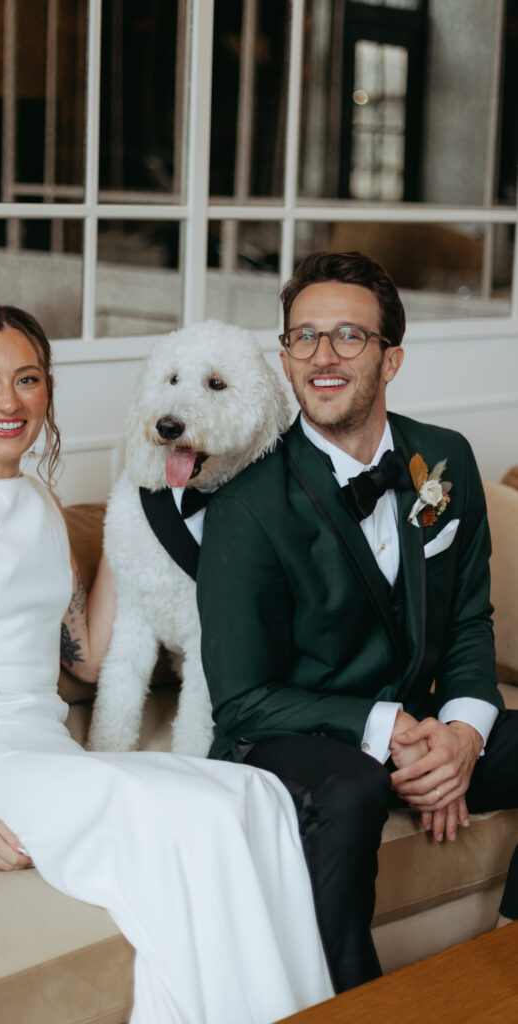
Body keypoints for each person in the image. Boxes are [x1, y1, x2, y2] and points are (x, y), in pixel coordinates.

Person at [0, 299, 332, 1024]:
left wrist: (133, 512)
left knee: (250, 799)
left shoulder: (39, 502)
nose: (9, 401)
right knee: (180, 821)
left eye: (28, 379)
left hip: (39, 750)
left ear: (48, 392)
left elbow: (89, 658)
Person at [197, 250, 518, 993]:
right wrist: (389, 731)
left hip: (418, 722)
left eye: (348, 335)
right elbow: (241, 699)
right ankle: (345, 1006)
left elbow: (470, 618)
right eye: (302, 337)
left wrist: (463, 736)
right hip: (291, 739)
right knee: (350, 790)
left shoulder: (444, 459)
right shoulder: (245, 503)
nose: (322, 356)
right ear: (283, 356)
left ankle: (505, 965)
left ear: (391, 357)